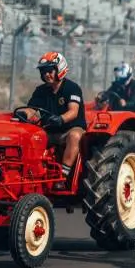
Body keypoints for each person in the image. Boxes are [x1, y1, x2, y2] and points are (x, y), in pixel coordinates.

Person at [21, 52, 87, 188]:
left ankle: (62, 177)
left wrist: (60, 119)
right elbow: (32, 109)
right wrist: (23, 114)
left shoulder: (72, 88)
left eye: (49, 71)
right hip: (49, 131)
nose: (46, 75)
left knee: (75, 136)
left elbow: (73, 112)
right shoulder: (40, 91)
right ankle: (29, 176)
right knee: (29, 137)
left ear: (60, 69)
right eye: (43, 72)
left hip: (69, 129)